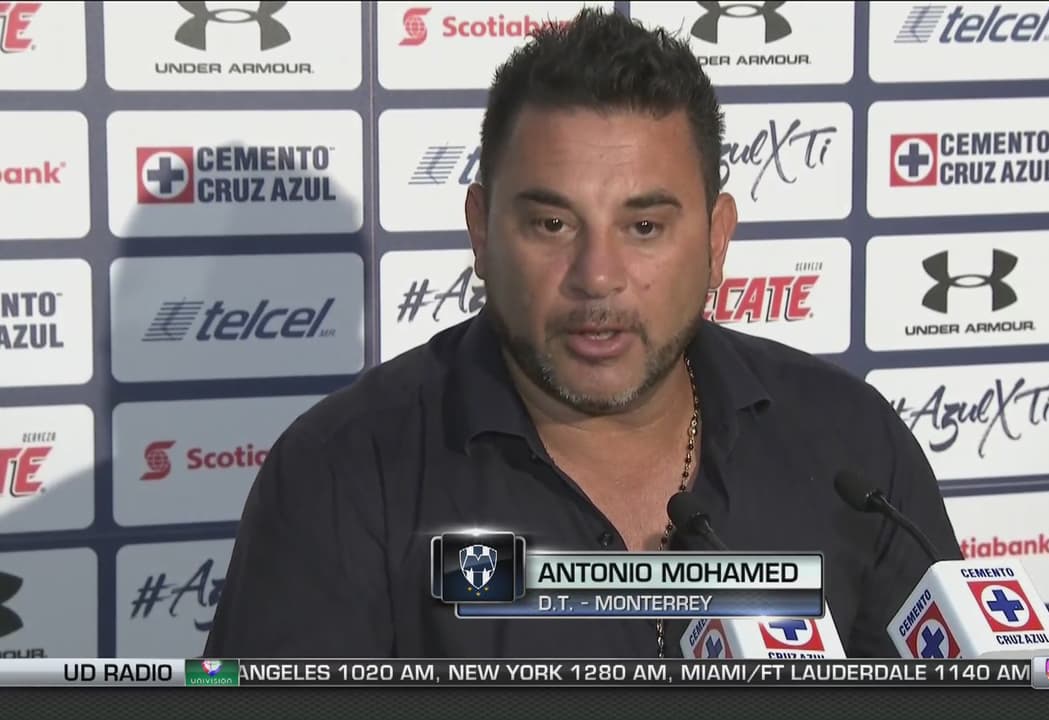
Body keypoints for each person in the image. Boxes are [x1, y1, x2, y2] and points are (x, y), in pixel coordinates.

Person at [204, 7, 961, 659]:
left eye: (644, 227)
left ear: (716, 238)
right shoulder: (342, 473)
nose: (597, 276)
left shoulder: (852, 446)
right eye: (552, 224)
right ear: (480, 231)